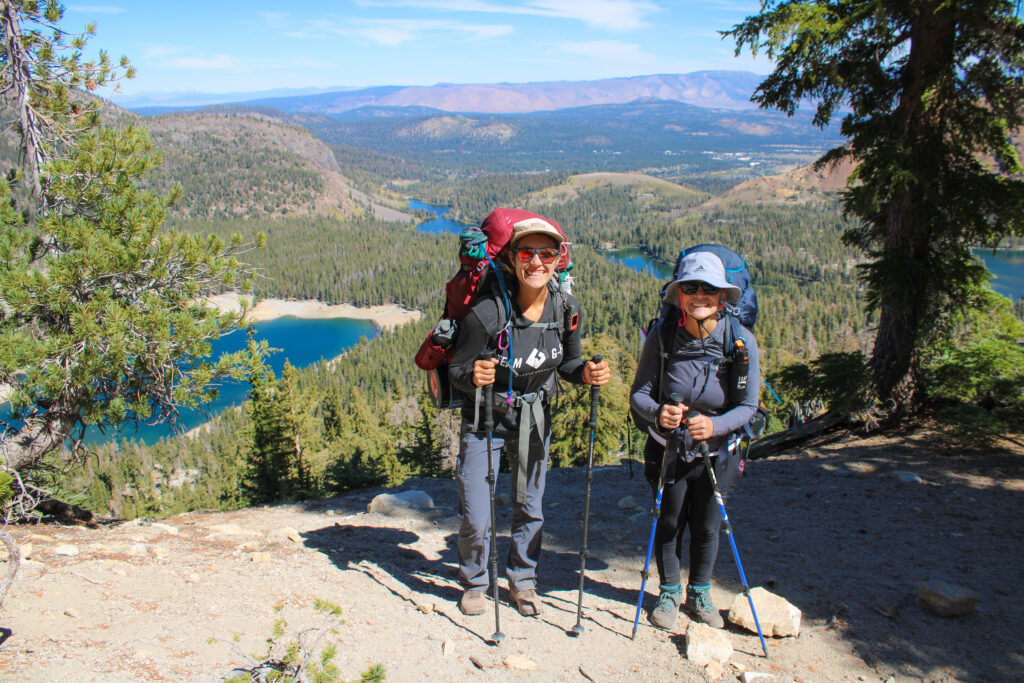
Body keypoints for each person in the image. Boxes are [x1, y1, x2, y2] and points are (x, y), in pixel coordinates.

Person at [448, 215, 610, 617]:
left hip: (535, 418)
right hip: (485, 419)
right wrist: (474, 374)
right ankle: (474, 583)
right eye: (527, 252)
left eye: (547, 253)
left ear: (558, 259)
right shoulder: (487, 313)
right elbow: (456, 371)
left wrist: (585, 373)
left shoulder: (566, 307)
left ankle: (523, 581)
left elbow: (568, 363)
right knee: (476, 514)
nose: (537, 262)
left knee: (531, 507)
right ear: (512, 259)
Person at [629, 251, 760, 630]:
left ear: (723, 297)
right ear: (679, 294)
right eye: (691, 287)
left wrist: (715, 426)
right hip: (668, 448)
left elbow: (749, 406)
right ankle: (669, 590)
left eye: (710, 288)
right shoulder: (663, 336)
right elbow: (640, 393)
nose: (699, 294)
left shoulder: (740, 342)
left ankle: (699, 592)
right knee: (668, 522)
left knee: (707, 524)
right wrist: (658, 413)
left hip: (719, 453)